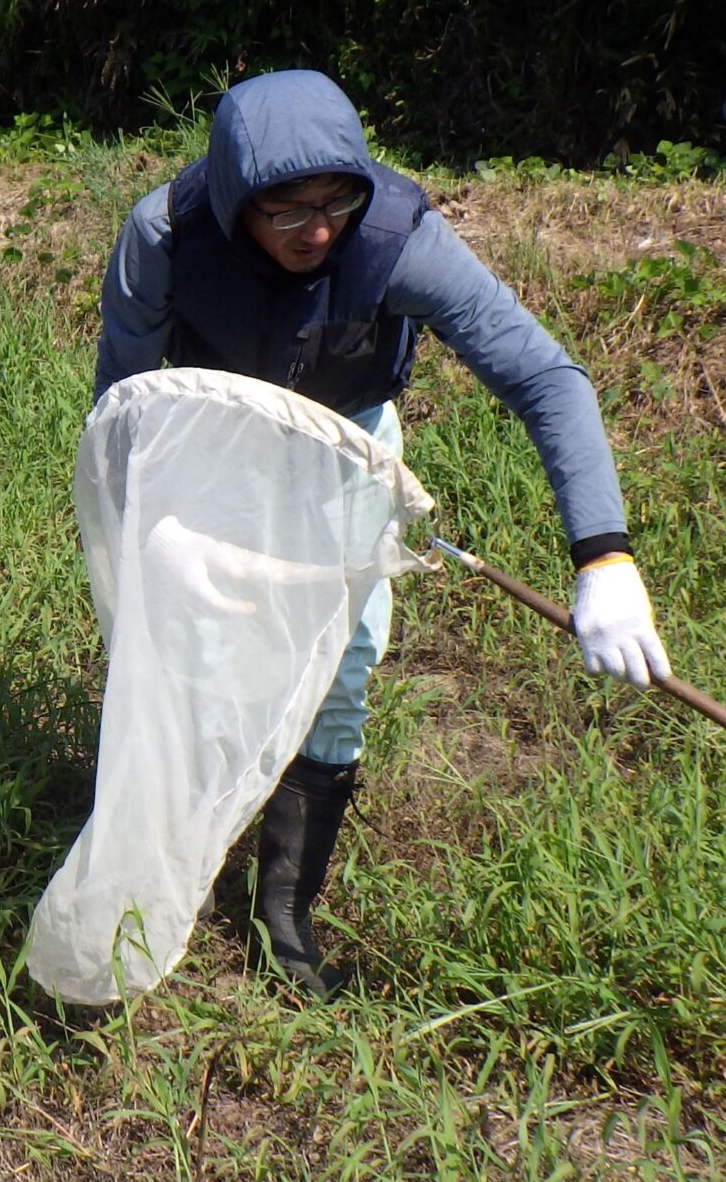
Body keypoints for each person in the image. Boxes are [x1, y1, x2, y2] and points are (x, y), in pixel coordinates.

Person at [94, 68, 671, 998]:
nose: (316, 231)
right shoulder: (164, 235)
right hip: (210, 439)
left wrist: (602, 555)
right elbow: (121, 397)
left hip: (346, 444)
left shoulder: (399, 240)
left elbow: (546, 379)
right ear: (237, 197)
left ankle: (284, 904)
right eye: (285, 210)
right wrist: (132, 522)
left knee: (346, 653)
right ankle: (171, 857)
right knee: (192, 645)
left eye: (335, 203)